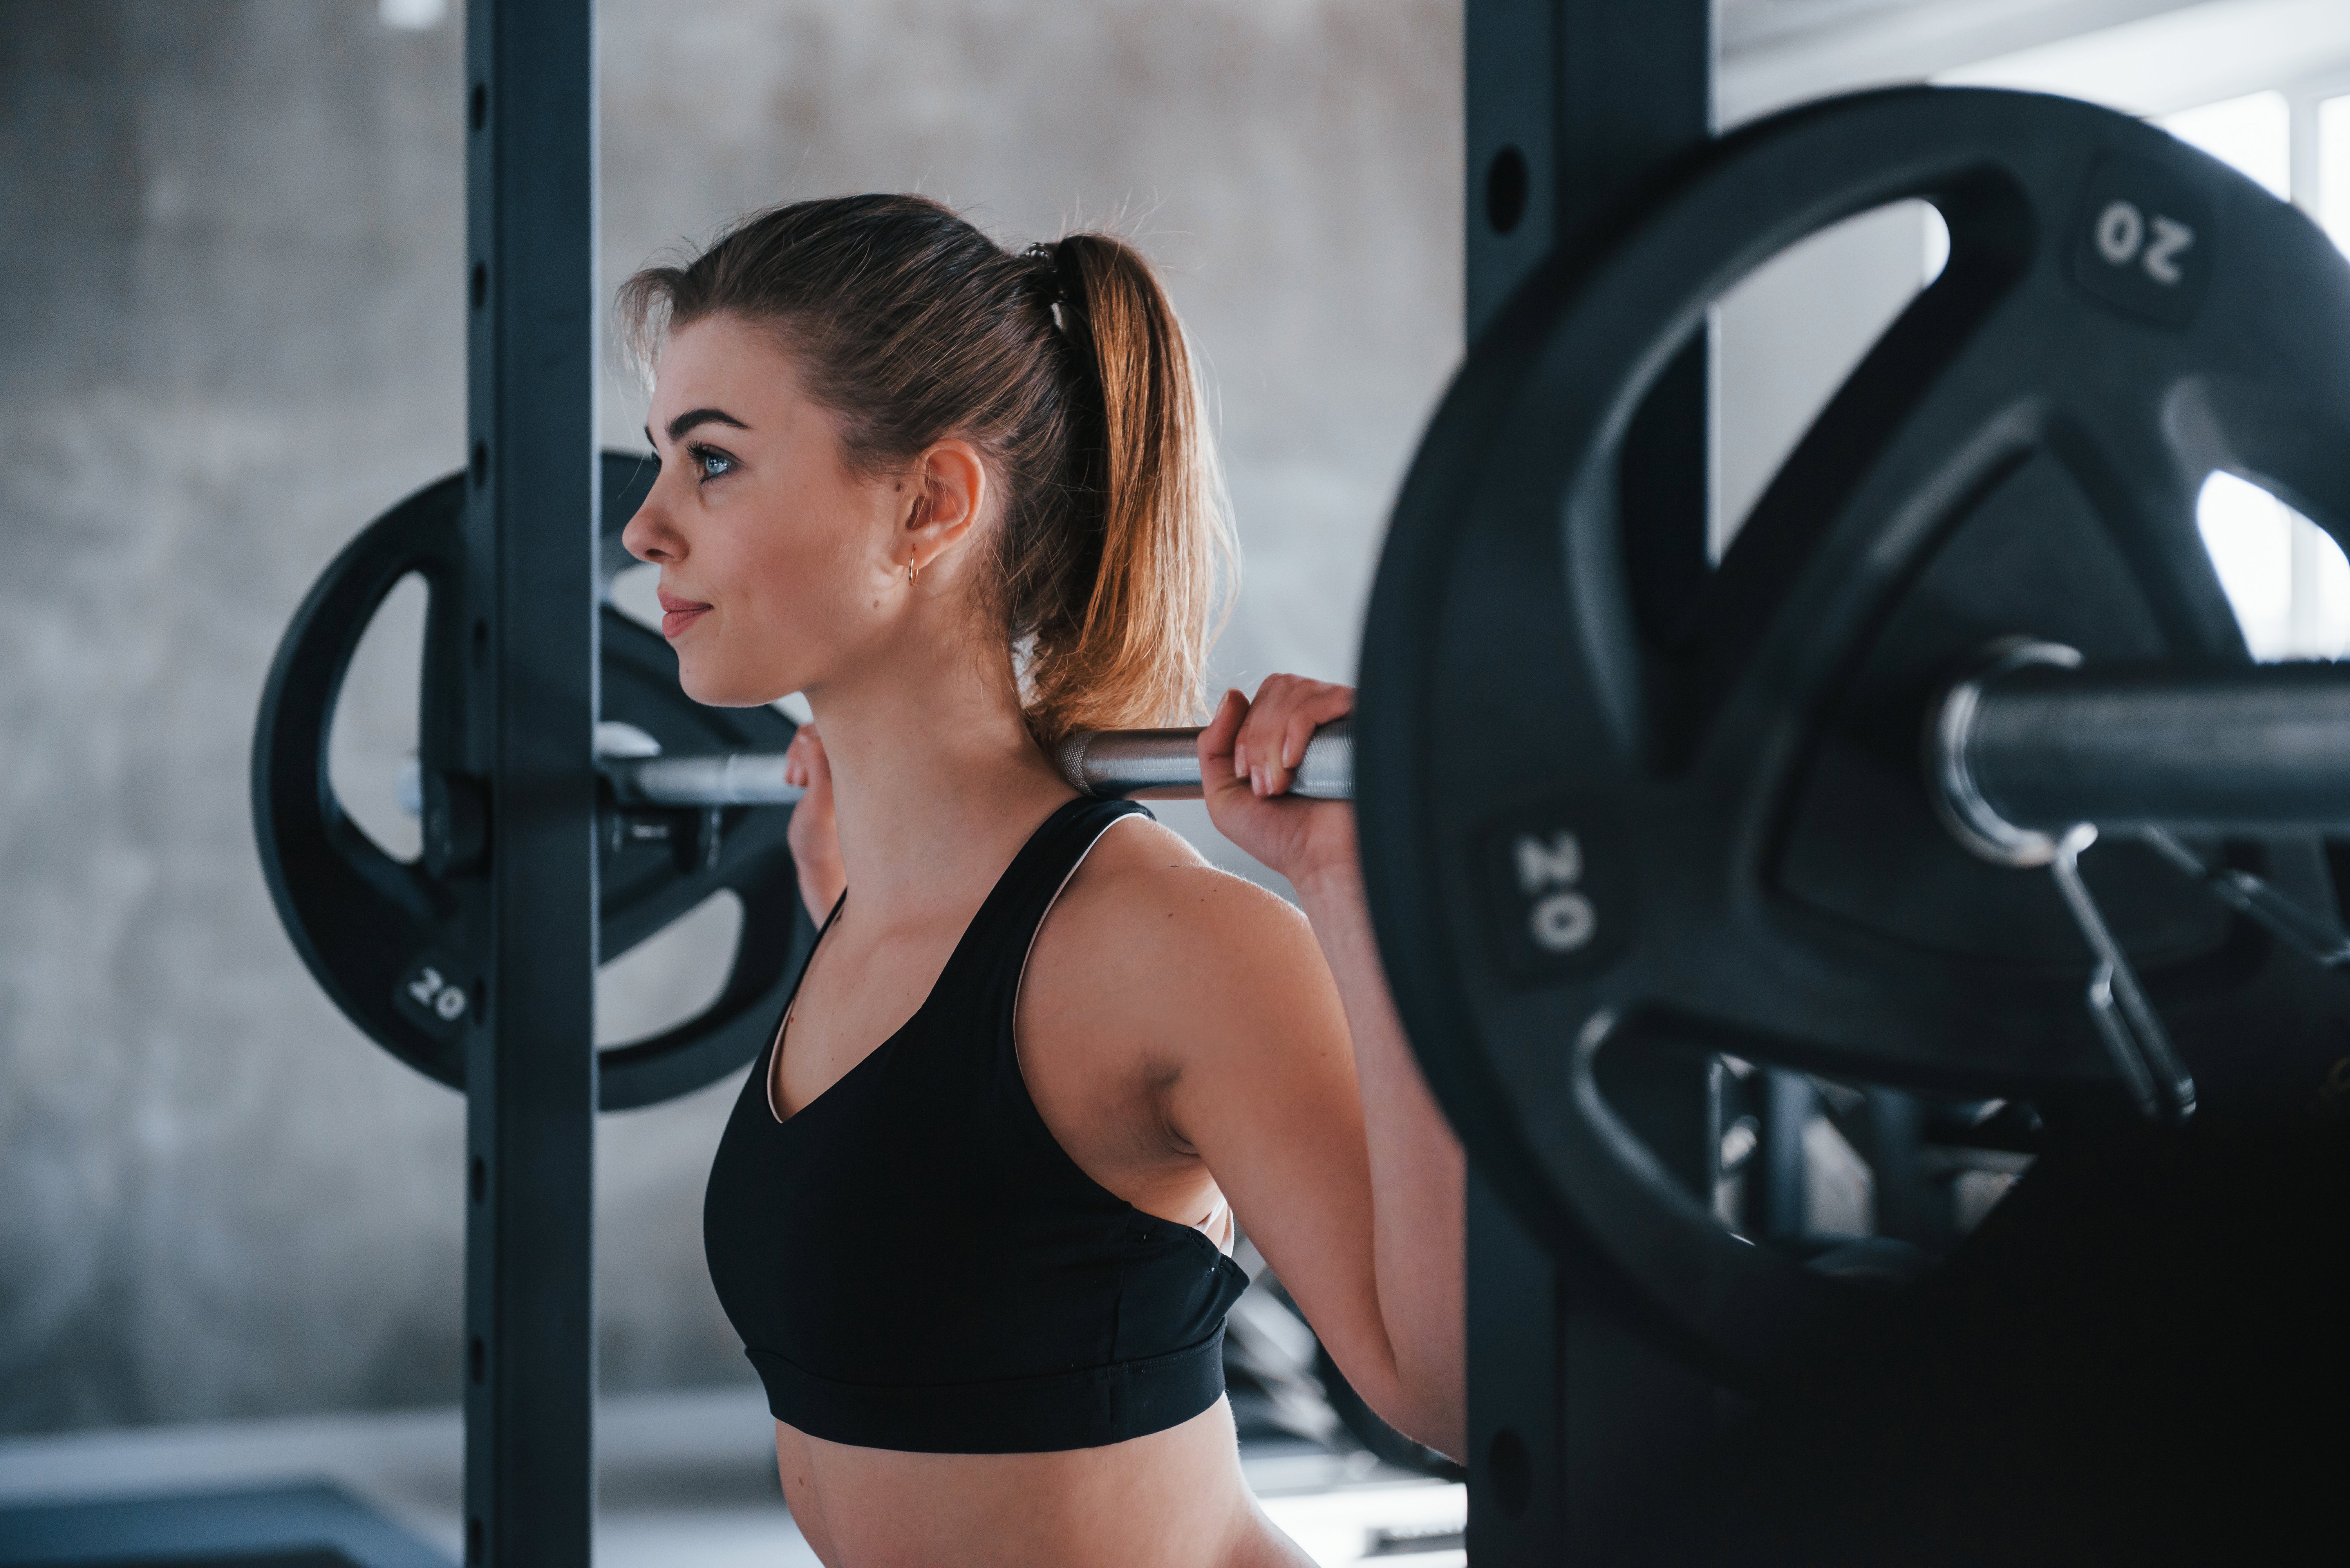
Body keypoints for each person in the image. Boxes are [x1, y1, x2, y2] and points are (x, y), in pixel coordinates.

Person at [618, 193, 1464, 1568]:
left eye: (711, 463)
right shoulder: (867, 918)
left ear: (930, 504)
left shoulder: (1168, 944)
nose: (645, 527)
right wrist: (853, 867)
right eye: (662, 460)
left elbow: (1456, 1398)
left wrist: (1365, 891)